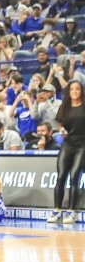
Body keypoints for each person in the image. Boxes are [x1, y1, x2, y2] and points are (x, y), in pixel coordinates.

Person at [48, 80, 85, 225]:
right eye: (72, 89)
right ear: (68, 92)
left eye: (77, 89)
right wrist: (61, 131)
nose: (75, 91)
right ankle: (57, 210)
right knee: (61, 176)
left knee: (75, 176)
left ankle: (72, 211)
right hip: (68, 144)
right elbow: (60, 126)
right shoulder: (64, 107)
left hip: (83, 145)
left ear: (81, 91)